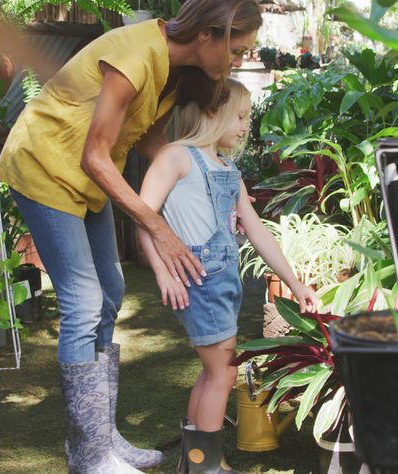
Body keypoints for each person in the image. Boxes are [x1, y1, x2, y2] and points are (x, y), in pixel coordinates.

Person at [0, 0, 263, 474]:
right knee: (83, 302)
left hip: (91, 177)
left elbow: (150, 149)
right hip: (45, 166)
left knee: (112, 290)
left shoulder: (177, 72)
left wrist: (204, 175)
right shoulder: (136, 55)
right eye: (238, 49)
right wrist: (158, 227)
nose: (239, 61)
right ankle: (90, 457)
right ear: (209, 34)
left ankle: (100, 439)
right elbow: (95, 155)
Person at [136, 79, 320, 474]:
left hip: (224, 279)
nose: (244, 126)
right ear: (209, 112)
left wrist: (294, 282)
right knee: (224, 370)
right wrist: (162, 272)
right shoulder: (175, 156)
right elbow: (142, 218)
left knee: (213, 370)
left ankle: (194, 462)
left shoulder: (228, 168)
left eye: (246, 117)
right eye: (239, 116)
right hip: (196, 278)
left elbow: (256, 229)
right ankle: (206, 467)